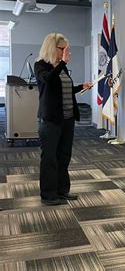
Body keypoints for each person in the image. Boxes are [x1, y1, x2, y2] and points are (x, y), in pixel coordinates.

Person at [34, 33, 92, 206]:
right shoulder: (41, 66)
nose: (67, 52)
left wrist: (81, 87)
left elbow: (64, 89)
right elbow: (49, 80)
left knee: (64, 156)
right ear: (53, 48)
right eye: (64, 49)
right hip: (50, 120)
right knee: (49, 158)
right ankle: (48, 195)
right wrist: (63, 63)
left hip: (67, 119)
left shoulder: (61, 66)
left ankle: (62, 191)